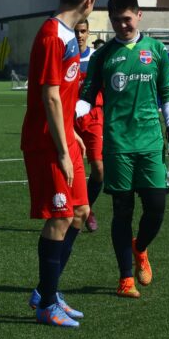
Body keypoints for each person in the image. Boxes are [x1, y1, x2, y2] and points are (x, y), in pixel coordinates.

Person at [79, 0, 169, 299]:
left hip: (150, 141)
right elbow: (86, 98)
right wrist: (69, 119)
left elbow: (166, 93)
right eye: (116, 20)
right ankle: (125, 278)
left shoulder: (155, 50)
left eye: (127, 19)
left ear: (139, 15)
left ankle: (140, 248)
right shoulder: (103, 56)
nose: (122, 26)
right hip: (117, 144)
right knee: (121, 211)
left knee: (156, 208)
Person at [22, 0, 99, 328]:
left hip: (65, 135)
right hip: (47, 141)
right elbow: (50, 95)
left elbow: (64, 97)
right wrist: (63, 149)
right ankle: (46, 304)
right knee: (61, 217)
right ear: (88, 2)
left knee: (81, 213)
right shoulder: (53, 35)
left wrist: (73, 133)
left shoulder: (68, 34)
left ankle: (47, 293)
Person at [73, 19, 103, 233]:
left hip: (93, 119)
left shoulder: (96, 58)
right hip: (70, 121)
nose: (80, 35)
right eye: (76, 31)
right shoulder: (67, 56)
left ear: (88, 32)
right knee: (73, 171)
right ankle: (79, 211)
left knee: (99, 170)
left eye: (83, 31)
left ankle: (87, 209)